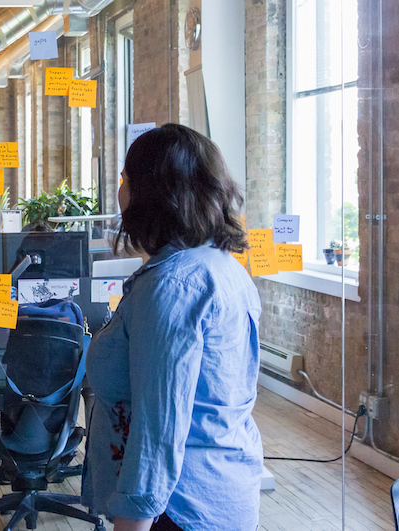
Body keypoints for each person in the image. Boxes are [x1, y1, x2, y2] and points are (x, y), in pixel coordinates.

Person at [81, 124, 263, 531]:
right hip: (223, 493)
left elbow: (156, 432)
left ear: (152, 194)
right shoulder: (223, 267)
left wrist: (131, 526)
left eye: (125, 180)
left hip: (176, 510)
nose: (118, 193)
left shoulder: (171, 288)